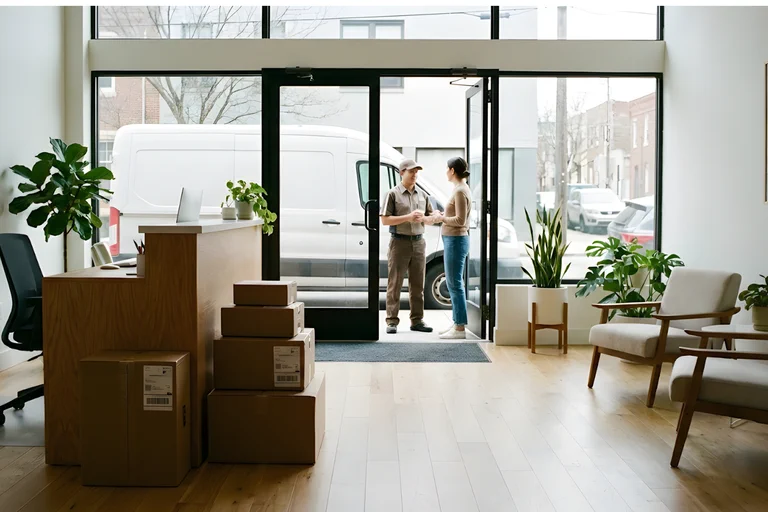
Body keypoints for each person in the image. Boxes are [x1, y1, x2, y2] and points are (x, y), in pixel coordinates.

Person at [380, 159, 442, 334]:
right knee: (395, 283)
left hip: (419, 243)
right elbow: (385, 220)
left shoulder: (422, 195)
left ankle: (417, 321)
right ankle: (392, 321)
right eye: (411, 171)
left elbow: (430, 217)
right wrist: (408, 217)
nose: (415, 174)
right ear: (401, 173)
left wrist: (433, 216)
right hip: (398, 242)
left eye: (416, 172)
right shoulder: (392, 194)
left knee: (418, 285)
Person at [434, 156, 471, 340]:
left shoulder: (460, 191)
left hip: (456, 240)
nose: (446, 172)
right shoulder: (460, 189)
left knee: (454, 284)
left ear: (452, 171)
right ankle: (457, 323)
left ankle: (459, 328)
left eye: (447, 168)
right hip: (453, 240)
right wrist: (443, 216)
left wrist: (441, 218)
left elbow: (460, 220)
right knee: (453, 283)